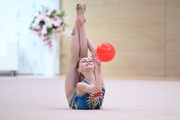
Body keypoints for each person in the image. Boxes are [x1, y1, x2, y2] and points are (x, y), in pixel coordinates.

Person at [65, 4, 105, 110]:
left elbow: (94, 53)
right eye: (86, 61)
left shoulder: (95, 80)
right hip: (78, 95)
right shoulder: (81, 85)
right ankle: (80, 19)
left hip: (72, 99)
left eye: (89, 60)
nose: (88, 61)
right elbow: (97, 87)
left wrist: (78, 31)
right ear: (80, 70)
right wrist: (80, 29)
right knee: (80, 56)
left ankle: (79, 20)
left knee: (74, 60)